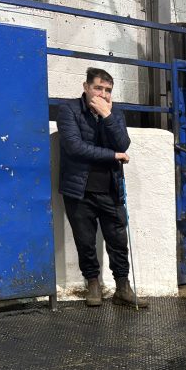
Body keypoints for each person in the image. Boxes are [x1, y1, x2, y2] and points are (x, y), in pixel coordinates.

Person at [56, 67, 146, 308]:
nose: (103, 94)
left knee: (118, 241)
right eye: (98, 88)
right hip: (80, 190)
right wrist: (113, 155)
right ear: (86, 87)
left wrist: (107, 116)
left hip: (111, 189)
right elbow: (75, 147)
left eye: (108, 90)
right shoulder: (68, 110)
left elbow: (123, 143)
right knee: (85, 241)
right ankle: (93, 285)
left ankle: (123, 288)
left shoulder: (114, 112)